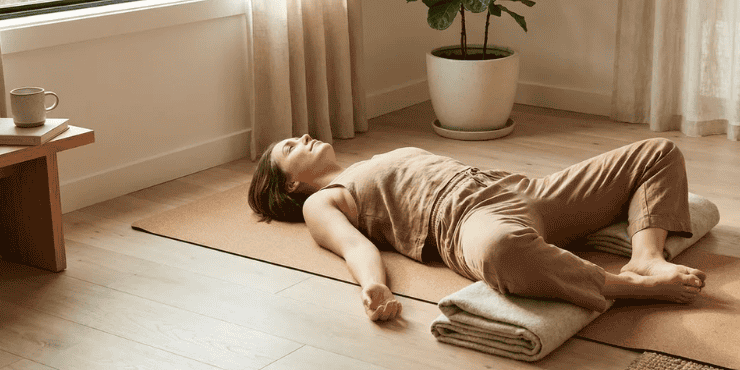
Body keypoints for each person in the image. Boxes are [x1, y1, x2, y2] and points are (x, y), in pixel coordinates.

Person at [248, 135, 707, 322]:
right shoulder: (322, 202)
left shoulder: (370, 161)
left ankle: (646, 258)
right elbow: (355, 248)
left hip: (522, 190)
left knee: (659, 152)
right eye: (291, 146)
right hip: (465, 220)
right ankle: (624, 287)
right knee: (502, 250)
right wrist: (374, 288)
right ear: (289, 182)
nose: (303, 136)